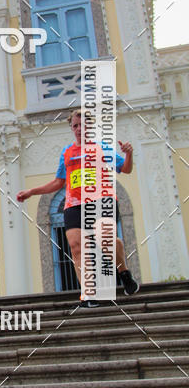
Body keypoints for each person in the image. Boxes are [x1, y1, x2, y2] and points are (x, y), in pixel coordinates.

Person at [16, 108, 139, 307]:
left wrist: (128, 155)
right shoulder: (67, 152)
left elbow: (125, 168)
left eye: (84, 124)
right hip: (74, 204)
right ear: (72, 128)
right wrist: (31, 191)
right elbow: (58, 182)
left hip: (103, 199)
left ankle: (123, 272)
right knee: (76, 247)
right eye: (75, 125)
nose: (80, 129)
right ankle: (89, 293)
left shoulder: (103, 148)